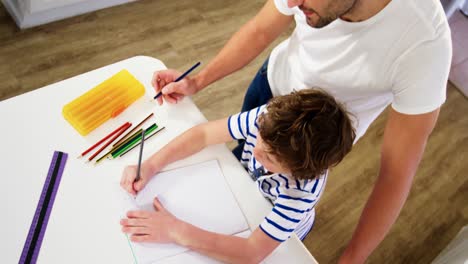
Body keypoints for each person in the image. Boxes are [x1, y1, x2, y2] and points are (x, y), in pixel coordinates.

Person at [150, 0, 452, 262]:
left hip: (308, 145)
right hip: (272, 100)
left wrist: (351, 258)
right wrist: (197, 81)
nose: (290, 4)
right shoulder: (262, 120)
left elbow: (396, 173)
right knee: (242, 168)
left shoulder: (424, 45)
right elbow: (259, 29)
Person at [120, 89, 356, 263]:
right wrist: (151, 165)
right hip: (244, 192)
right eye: (259, 139)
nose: (253, 150)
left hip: (281, 231)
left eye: (269, 158)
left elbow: (251, 253)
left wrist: (175, 231)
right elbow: (202, 134)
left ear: (297, 171)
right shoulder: (268, 119)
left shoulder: (300, 193)